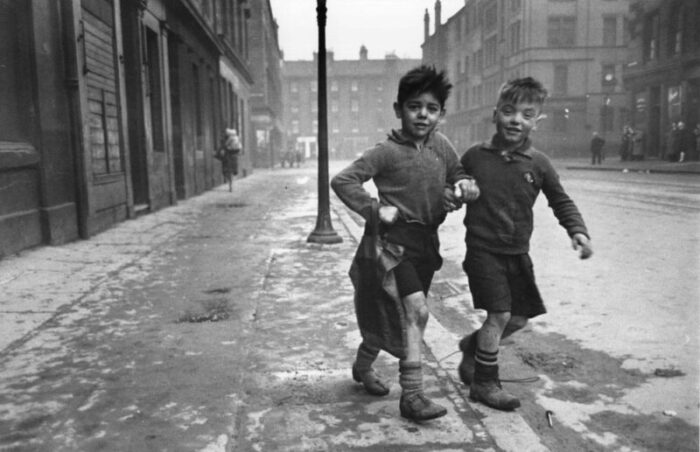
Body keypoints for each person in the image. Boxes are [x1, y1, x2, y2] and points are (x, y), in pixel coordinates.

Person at [331, 65, 480, 422]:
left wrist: (462, 188)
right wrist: (374, 208)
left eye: (431, 108)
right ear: (399, 109)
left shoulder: (441, 146)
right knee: (416, 312)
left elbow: (457, 175)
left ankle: (362, 365)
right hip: (391, 246)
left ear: (441, 114)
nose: (423, 115)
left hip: (425, 245)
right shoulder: (385, 152)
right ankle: (412, 395)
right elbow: (343, 180)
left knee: (396, 316)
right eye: (415, 106)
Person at [456, 77, 593, 411]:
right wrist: (460, 188)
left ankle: (472, 347)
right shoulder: (475, 157)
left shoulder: (538, 164)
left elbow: (561, 201)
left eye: (526, 114)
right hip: (483, 251)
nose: (516, 119)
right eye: (508, 111)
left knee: (518, 319)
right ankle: (485, 383)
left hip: (517, 253)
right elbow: (453, 183)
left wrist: (578, 231)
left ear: (536, 121)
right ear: (495, 114)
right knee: (500, 314)